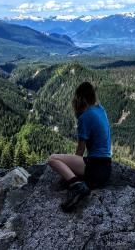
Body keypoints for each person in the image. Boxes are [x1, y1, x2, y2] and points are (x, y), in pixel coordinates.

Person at [48, 81, 112, 212]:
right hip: (106, 168)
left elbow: (80, 149)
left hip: (94, 167)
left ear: (79, 98)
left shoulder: (85, 117)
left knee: (53, 159)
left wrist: (71, 168)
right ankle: (79, 182)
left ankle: (77, 186)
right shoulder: (101, 109)